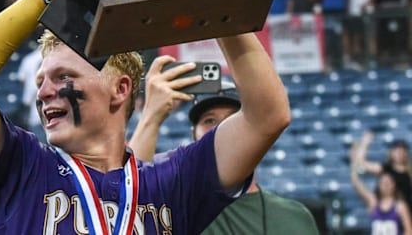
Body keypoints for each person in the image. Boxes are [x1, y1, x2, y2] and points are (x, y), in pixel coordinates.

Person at [0, 0, 291, 234]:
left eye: (63, 76)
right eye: (40, 82)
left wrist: (221, 2)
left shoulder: (174, 180)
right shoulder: (22, 167)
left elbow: (268, 116)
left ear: (120, 89)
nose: (45, 93)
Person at [129, 59, 319, 234]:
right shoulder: (177, 207)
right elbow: (126, 204)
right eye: (209, 121)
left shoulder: (295, 217)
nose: (221, 129)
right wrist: (151, 116)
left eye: (233, 120)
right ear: (194, 136)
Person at [350, 142, 412, 235]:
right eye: (383, 182)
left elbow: (409, 231)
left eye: (389, 183)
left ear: (394, 185)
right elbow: (356, 182)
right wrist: (354, 161)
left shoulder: (400, 206)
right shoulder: (374, 202)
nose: (386, 185)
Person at [352, 131, 412, 214]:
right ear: (391, 153)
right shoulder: (386, 169)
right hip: (388, 212)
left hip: (406, 212)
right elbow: (362, 164)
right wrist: (365, 144)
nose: (400, 154)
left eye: (402, 151)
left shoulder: (409, 172)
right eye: (397, 151)